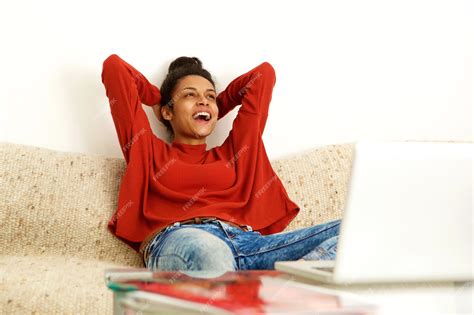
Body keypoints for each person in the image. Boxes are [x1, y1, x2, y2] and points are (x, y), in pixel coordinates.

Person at [100, 54, 341, 273]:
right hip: (183, 240)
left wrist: (216, 106)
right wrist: (158, 100)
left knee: (352, 234)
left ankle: (283, 289)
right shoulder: (147, 150)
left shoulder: (237, 153)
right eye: (189, 94)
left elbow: (263, 75)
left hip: (249, 244)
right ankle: (262, 289)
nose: (203, 101)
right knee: (211, 252)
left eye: (210, 96)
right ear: (167, 112)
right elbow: (114, 68)